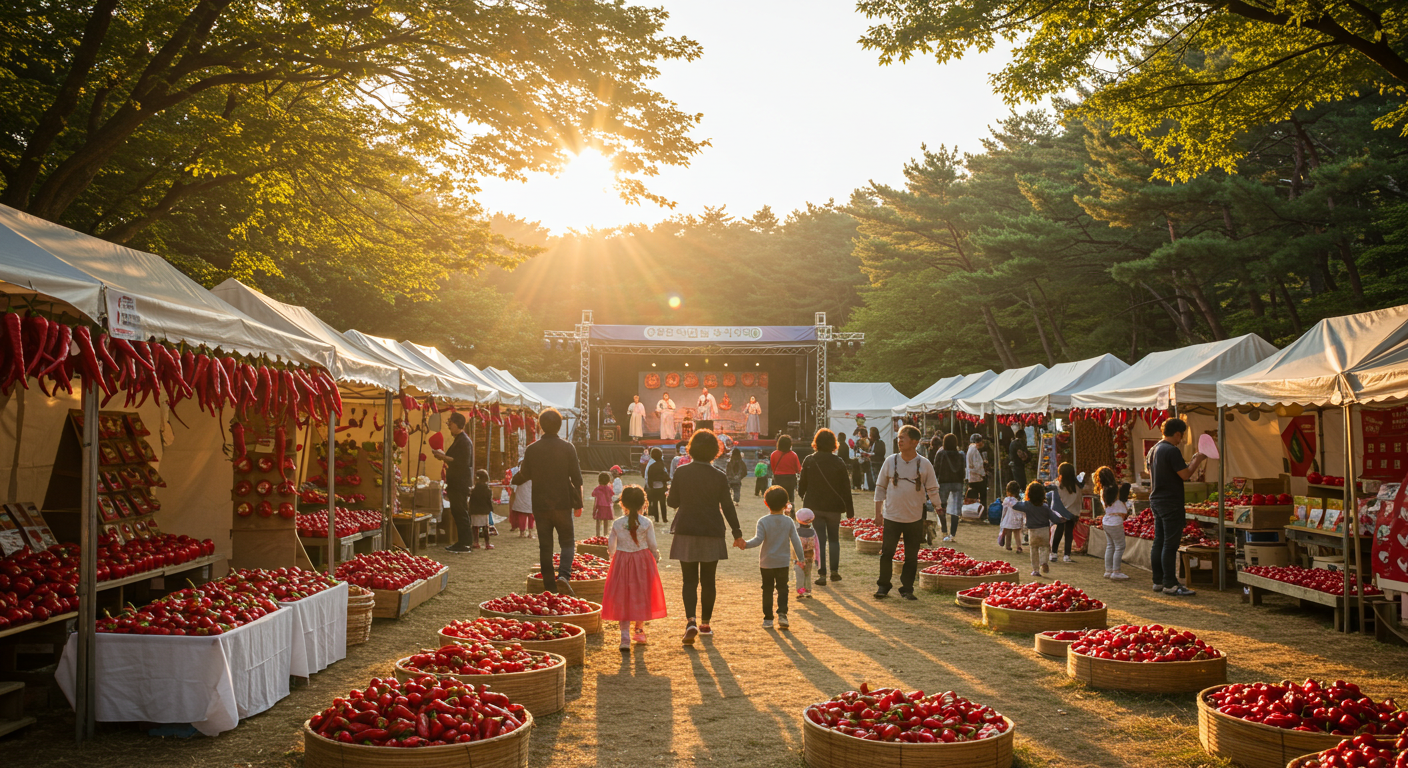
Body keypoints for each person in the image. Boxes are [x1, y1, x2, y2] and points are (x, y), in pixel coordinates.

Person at [667, 429, 745, 645]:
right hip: (712, 531)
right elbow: (728, 507)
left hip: (686, 530)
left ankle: (690, 620)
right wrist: (737, 533)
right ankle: (705, 623)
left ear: (690, 448)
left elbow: (672, 503)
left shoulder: (681, 472)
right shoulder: (719, 476)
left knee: (689, 580)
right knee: (709, 580)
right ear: (714, 451)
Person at [511, 408, 583, 596]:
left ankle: (549, 587)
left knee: (546, 546)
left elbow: (525, 474)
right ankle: (564, 577)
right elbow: (577, 478)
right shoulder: (568, 448)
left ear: (540, 426)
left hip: (540, 504)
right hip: (562, 503)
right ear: (560, 425)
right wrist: (579, 503)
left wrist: (513, 479)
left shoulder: (532, 449)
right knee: (567, 542)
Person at [873, 424, 940, 600]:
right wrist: (878, 513)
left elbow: (933, 489)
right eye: (899, 437)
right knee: (887, 553)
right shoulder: (890, 461)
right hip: (891, 516)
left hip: (915, 517)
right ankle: (883, 586)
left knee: (911, 556)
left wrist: (938, 506)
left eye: (903, 437)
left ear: (914, 442)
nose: (899, 440)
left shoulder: (924, 464)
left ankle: (907, 588)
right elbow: (880, 488)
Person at [602, 486, 667, 650]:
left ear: (622, 504)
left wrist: (613, 556)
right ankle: (639, 630)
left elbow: (611, 545)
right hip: (642, 561)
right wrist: (656, 556)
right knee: (641, 594)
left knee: (622, 597)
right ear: (643, 504)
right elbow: (652, 544)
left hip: (622, 561)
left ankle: (624, 637)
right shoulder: (646, 523)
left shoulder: (617, 523)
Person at [1149, 418, 1207, 596]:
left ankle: (1158, 581)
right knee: (1170, 544)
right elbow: (1185, 475)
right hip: (1170, 501)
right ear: (1177, 433)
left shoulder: (1154, 449)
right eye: (1181, 436)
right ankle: (1170, 583)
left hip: (1156, 499)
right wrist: (1198, 459)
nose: (1180, 440)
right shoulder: (1171, 450)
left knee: (1159, 541)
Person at [797, 427, 854, 586]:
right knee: (834, 540)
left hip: (814, 507)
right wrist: (850, 510)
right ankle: (834, 572)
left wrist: (803, 496)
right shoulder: (838, 462)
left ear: (816, 442)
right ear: (833, 444)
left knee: (819, 540)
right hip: (834, 507)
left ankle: (822, 574)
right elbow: (845, 488)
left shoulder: (809, 460)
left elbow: (802, 485)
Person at [744, 486, 805, 629]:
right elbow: (796, 541)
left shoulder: (763, 521)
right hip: (783, 562)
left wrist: (744, 545)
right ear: (786, 505)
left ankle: (768, 618)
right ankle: (782, 615)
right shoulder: (788, 521)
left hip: (766, 562)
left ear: (766, 503)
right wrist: (801, 559)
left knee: (767, 589)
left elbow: (758, 540)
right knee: (783, 588)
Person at [434, 412, 475, 554]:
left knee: (461, 512)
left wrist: (443, 457)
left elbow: (462, 462)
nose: (449, 427)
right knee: (458, 512)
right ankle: (463, 542)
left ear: (457, 424)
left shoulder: (464, 441)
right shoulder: (459, 439)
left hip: (460, 483)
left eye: (450, 424)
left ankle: (465, 543)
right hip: (456, 482)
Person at [1015, 480, 1056, 577]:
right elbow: (1054, 518)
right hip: (1044, 530)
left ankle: (1036, 570)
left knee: (1034, 550)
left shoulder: (1027, 505)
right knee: (1044, 548)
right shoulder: (1045, 506)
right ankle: (1044, 562)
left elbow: (1016, 506)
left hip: (1032, 531)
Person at [1096, 466, 1130, 579]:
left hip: (1106, 520)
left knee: (1110, 545)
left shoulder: (1102, 490)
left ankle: (1108, 570)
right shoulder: (1117, 489)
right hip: (1115, 521)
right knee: (1120, 546)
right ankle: (1116, 571)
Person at [932, 433, 966, 542]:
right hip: (957, 483)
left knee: (941, 507)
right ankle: (953, 534)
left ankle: (944, 530)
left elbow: (935, 468)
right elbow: (963, 469)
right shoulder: (960, 454)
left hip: (944, 482)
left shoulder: (941, 453)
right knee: (956, 509)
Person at [770, 434, 802, 510]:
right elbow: (798, 469)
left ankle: (778, 510)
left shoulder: (773, 454)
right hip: (790, 479)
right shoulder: (793, 455)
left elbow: (773, 468)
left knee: (778, 497)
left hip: (778, 478)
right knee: (790, 497)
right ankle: (791, 511)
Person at [794, 508, 819, 599]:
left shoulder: (795, 532)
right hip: (809, 556)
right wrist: (817, 559)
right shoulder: (813, 532)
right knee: (807, 574)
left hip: (798, 558)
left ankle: (801, 591)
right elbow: (817, 546)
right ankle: (808, 591)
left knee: (799, 574)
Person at [468, 469, 495, 550]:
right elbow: (488, 501)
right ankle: (487, 544)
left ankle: (476, 542)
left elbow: (471, 500)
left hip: (474, 510)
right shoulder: (488, 490)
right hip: (484, 510)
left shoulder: (473, 490)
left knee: (475, 527)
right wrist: (491, 509)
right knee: (485, 527)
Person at [508, 460, 536, 538]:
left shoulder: (517, 476)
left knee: (522, 516)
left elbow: (512, 488)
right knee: (531, 517)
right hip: (531, 499)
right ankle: (530, 533)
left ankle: (522, 533)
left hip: (520, 499)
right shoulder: (534, 475)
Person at [999, 481, 1025, 553]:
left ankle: (1008, 545)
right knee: (1017, 533)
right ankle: (1019, 546)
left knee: (1008, 532)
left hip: (1008, 518)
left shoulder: (1007, 499)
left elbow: (1004, 509)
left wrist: (1002, 518)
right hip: (1016, 518)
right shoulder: (1019, 500)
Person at [646, 447, 670, 523]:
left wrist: (649, 487)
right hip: (662, 487)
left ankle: (656, 519)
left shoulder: (650, 465)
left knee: (655, 504)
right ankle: (664, 519)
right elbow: (666, 476)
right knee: (663, 504)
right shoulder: (662, 464)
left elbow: (648, 477)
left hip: (654, 488)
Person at [965, 433, 987, 515]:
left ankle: (974, 514)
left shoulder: (970, 450)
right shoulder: (974, 451)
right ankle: (983, 514)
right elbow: (978, 466)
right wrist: (983, 474)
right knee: (983, 497)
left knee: (973, 498)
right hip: (978, 478)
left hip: (971, 478)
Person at [592, 471, 615, 537]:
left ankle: (597, 535)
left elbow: (595, 500)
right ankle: (605, 535)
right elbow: (611, 497)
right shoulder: (609, 489)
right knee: (606, 522)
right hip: (607, 507)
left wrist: (594, 511)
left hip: (599, 506)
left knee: (598, 522)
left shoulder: (597, 489)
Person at [867, 426, 886, 492]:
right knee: (879, 477)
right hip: (878, 461)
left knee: (876, 477)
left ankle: (879, 490)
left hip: (876, 462)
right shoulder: (876, 443)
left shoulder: (878, 443)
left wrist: (871, 454)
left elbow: (879, 452)